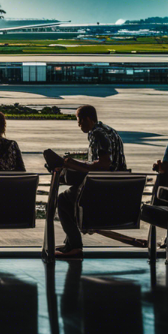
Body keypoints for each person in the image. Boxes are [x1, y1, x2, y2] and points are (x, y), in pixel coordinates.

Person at [43, 105, 126, 259]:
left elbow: (103, 165)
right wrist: (75, 163)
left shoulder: (97, 134)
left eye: (79, 121)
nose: (78, 125)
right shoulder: (109, 131)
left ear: (87, 119)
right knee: (71, 195)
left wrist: (71, 164)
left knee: (63, 200)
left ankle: (74, 246)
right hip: (117, 185)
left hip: (103, 187)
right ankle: (70, 243)